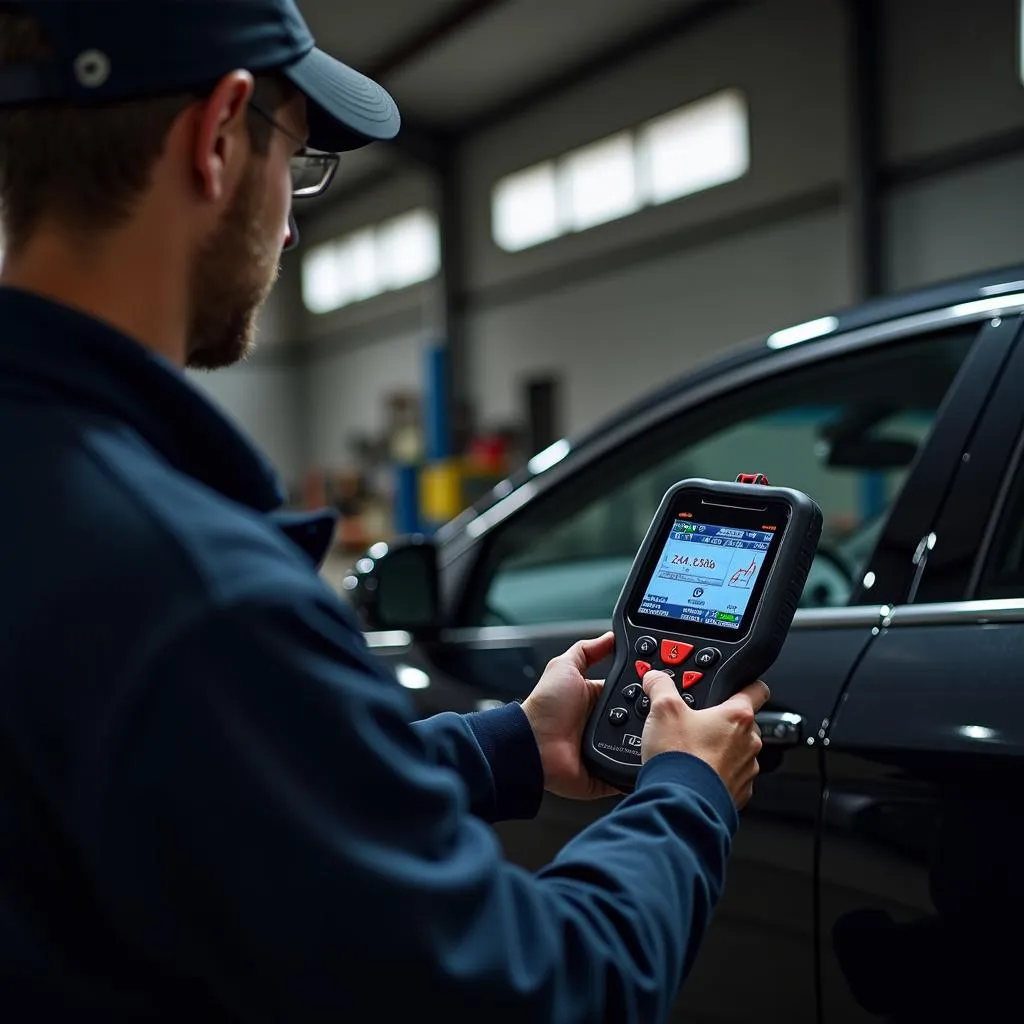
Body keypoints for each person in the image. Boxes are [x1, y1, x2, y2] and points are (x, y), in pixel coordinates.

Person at [0, 2, 769, 1020]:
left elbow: (222, 791)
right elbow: (546, 993)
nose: (285, 221)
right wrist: (686, 795)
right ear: (219, 134)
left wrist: (505, 745)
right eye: (298, 157)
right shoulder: (195, 592)